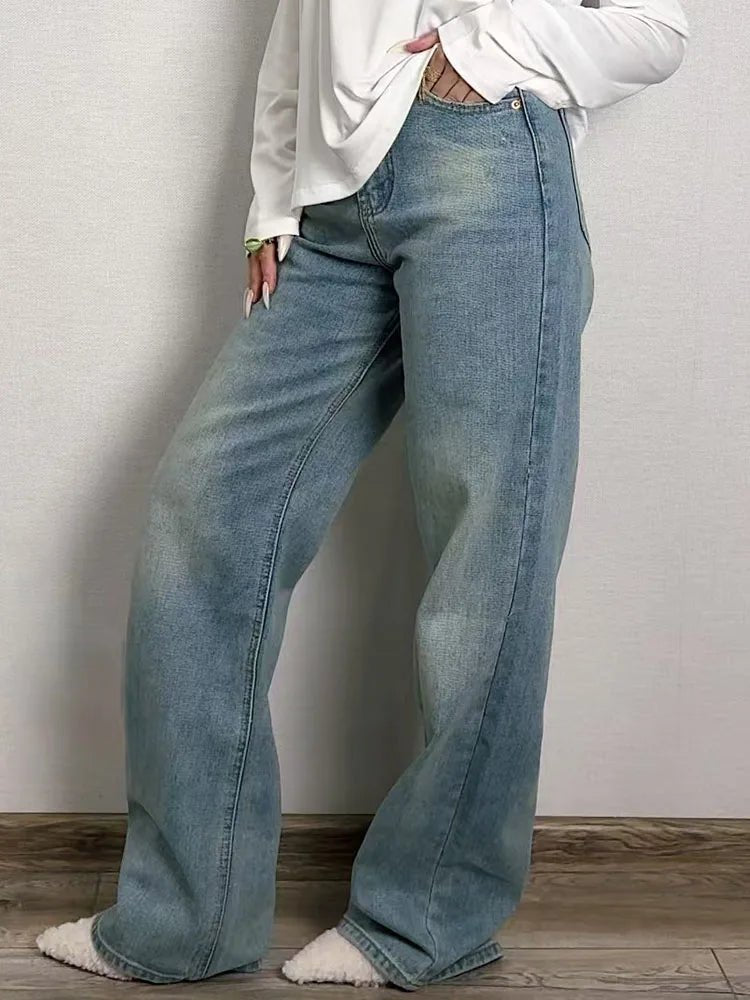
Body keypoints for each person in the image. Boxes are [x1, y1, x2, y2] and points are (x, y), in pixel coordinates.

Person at [37, 0, 689, 989]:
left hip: (488, 164)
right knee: (204, 516)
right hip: (331, 198)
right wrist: (274, 195)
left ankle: (429, 916)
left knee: (488, 548)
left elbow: (657, 27)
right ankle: (186, 921)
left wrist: (484, 51)